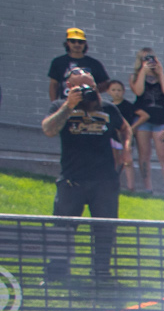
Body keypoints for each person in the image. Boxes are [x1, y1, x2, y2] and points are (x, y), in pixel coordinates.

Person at [40, 68, 122, 285]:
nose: (89, 91)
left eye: (92, 87)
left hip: (104, 180)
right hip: (71, 178)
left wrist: (125, 154)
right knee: (62, 229)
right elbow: (48, 130)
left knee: (104, 230)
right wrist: (69, 106)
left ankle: (101, 273)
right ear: (69, 88)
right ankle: (56, 273)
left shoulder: (108, 108)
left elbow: (125, 129)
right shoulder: (60, 106)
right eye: (82, 87)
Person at [131, 49, 164, 193]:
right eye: (145, 59)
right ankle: (147, 187)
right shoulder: (136, 76)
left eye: (151, 59)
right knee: (144, 154)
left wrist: (160, 73)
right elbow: (138, 91)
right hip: (143, 120)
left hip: (161, 119)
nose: (149, 62)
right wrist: (143, 72)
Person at [103, 80, 144, 191]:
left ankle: (131, 187)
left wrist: (132, 127)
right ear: (108, 91)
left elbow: (144, 115)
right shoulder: (109, 107)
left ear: (123, 91)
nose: (116, 93)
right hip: (113, 136)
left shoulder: (127, 105)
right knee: (115, 160)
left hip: (125, 136)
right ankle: (114, 184)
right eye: (113, 90)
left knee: (128, 161)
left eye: (119, 90)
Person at [47, 27, 108, 99]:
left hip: (89, 105)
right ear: (67, 43)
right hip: (67, 103)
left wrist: (93, 90)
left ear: (85, 43)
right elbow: (54, 85)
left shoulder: (94, 63)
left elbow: (105, 84)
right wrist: (55, 103)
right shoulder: (58, 62)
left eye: (80, 42)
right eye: (73, 41)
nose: (77, 44)